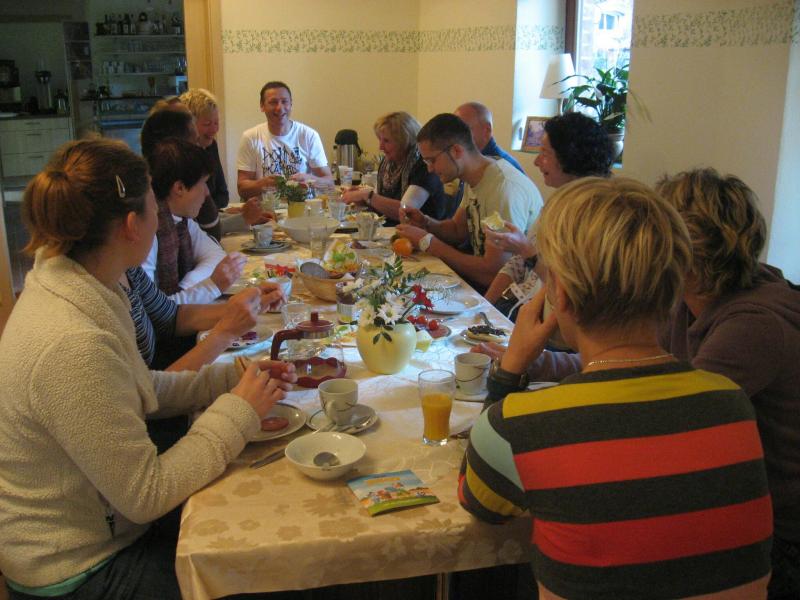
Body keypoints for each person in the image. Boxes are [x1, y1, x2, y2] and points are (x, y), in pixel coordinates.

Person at [0, 138, 296, 599]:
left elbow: (139, 388)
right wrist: (238, 411)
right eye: (154, 208)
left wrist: (232, 380)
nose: (161, 217)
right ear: (132, 225)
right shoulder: (71, 342)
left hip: (108, 524)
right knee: (266, 565)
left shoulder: (90, 282)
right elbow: (145, 494)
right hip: (77, 568)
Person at [460, 176, 773, 599]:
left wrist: (509, 369)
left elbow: (478, 503)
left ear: (560, 295)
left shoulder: (518, 425)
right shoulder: (731, 402)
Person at [656, 168, 800, 600]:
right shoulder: (690, 299)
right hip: (737, 505)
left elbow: (667, 420)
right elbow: (628, 365)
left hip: (780, 535)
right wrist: (536, 360)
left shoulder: (752, 326)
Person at [483, 112, 614, 316]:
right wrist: (484, 308)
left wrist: (525, 250)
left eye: (545, 153)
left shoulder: (596, 217)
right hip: (519, 309)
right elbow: (517, 263)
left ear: (569, 156)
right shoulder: (557, 202)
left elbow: (570, 292)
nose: (536, 162)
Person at [396, 113, 542, 292]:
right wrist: (425, 222)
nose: (430, 169)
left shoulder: (503, 189)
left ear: (456, 151)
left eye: (432, 160)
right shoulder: (474, 176)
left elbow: (492, 273)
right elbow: (458, 230)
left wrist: (428, 242)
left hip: (511, 297)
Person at [141, 138, 246, 305]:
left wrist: (185, 288)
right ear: (179, 188)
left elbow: (216, 255)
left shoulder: (181, 220)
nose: (206, 192)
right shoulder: (147, 232)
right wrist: (211, 286)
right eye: (203, 183)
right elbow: (150, 309)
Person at [124, 265, 285, 371]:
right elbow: (146, 397)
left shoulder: (129, 270)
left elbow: (171, 317)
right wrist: (225, 333)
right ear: (132, 227)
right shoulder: (109, 302)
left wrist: (245, 307)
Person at [341, 111, 455, 224]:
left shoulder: (424, 164)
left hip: (422, 232)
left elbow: (405, 210)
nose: (380, 147)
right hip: (391, 230)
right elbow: (381, 206)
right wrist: (362, 200)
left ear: (404, 141)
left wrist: (367, 196)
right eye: (380, 140)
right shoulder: (387, 164)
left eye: (386, 141)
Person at [236, 80, 333, 199]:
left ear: (291, 104)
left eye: (284, 101)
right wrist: (263, 184)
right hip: (266, 207)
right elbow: (242, 189)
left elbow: (329, 183)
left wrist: (309, 179)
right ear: (262, 106)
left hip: (302, 206)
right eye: (273, 102)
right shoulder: (250, 137)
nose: (279, 107)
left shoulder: (309, 135)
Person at [179, 88, 230, 241]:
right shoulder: (180, 159)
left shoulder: (210, 146)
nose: (214, 130)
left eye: (216, 123)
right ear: (189, 125)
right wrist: (241, 219)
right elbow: (195, 221)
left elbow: (223, 196)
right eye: (207, 124)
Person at [454, 101, 524, 172]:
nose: (455, 136)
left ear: (487, 130)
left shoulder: (500, 167)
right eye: (454, 130)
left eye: (463, 130)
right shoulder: (468, 158)